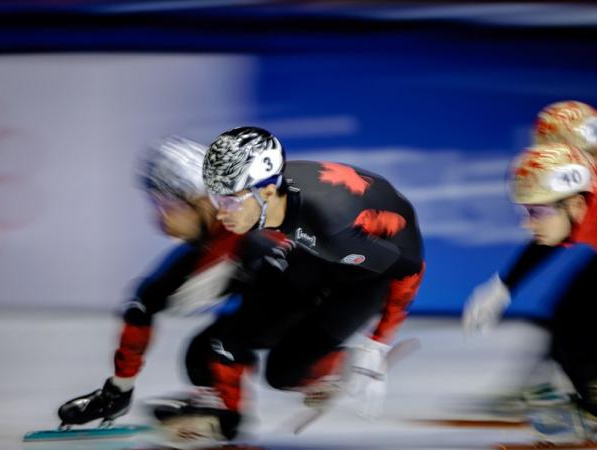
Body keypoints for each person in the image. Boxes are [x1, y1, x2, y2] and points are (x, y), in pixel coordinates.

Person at [152, 126, 425, 442]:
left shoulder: (333, 231)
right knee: (225, 342)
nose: (220, 211)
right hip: (313, 252)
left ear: (266, 193)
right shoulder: (267, 199)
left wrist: (378, 341)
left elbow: (410, 269)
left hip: (364, 275)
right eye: (216, 198)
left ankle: (334, 365)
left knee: (283, 373)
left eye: (229, 201)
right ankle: (221, 408)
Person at [463, 101, 597, 412]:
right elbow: (553, 229)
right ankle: (580, 389)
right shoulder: (594, 176)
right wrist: (505, 285)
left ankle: (591, 397)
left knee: (578, 329)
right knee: (569, 320)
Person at [57, 136, 242, 428]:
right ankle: (117, 394)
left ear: (202, 201)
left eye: (166, 204)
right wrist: (121, 383)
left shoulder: (254, 234)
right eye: (156, 203)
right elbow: (145, 304)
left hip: (311, 306)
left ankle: (227, 414)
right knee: (145, 301)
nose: (159, 217)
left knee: (213, 345)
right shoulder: (213, 236)